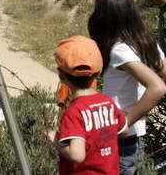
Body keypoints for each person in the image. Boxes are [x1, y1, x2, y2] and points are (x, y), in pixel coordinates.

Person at [88, 0, 166, 174]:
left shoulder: (120, 50)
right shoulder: (145, 42)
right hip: (134, 139)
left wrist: (125, 122)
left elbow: (157, 87)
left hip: (120, 139)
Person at [48, 35, 128, 174]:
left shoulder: (74, 112)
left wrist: (56, 140)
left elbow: (77, 155)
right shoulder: (107, 102)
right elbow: (124, 130)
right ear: (98, 73)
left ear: (61, 76)